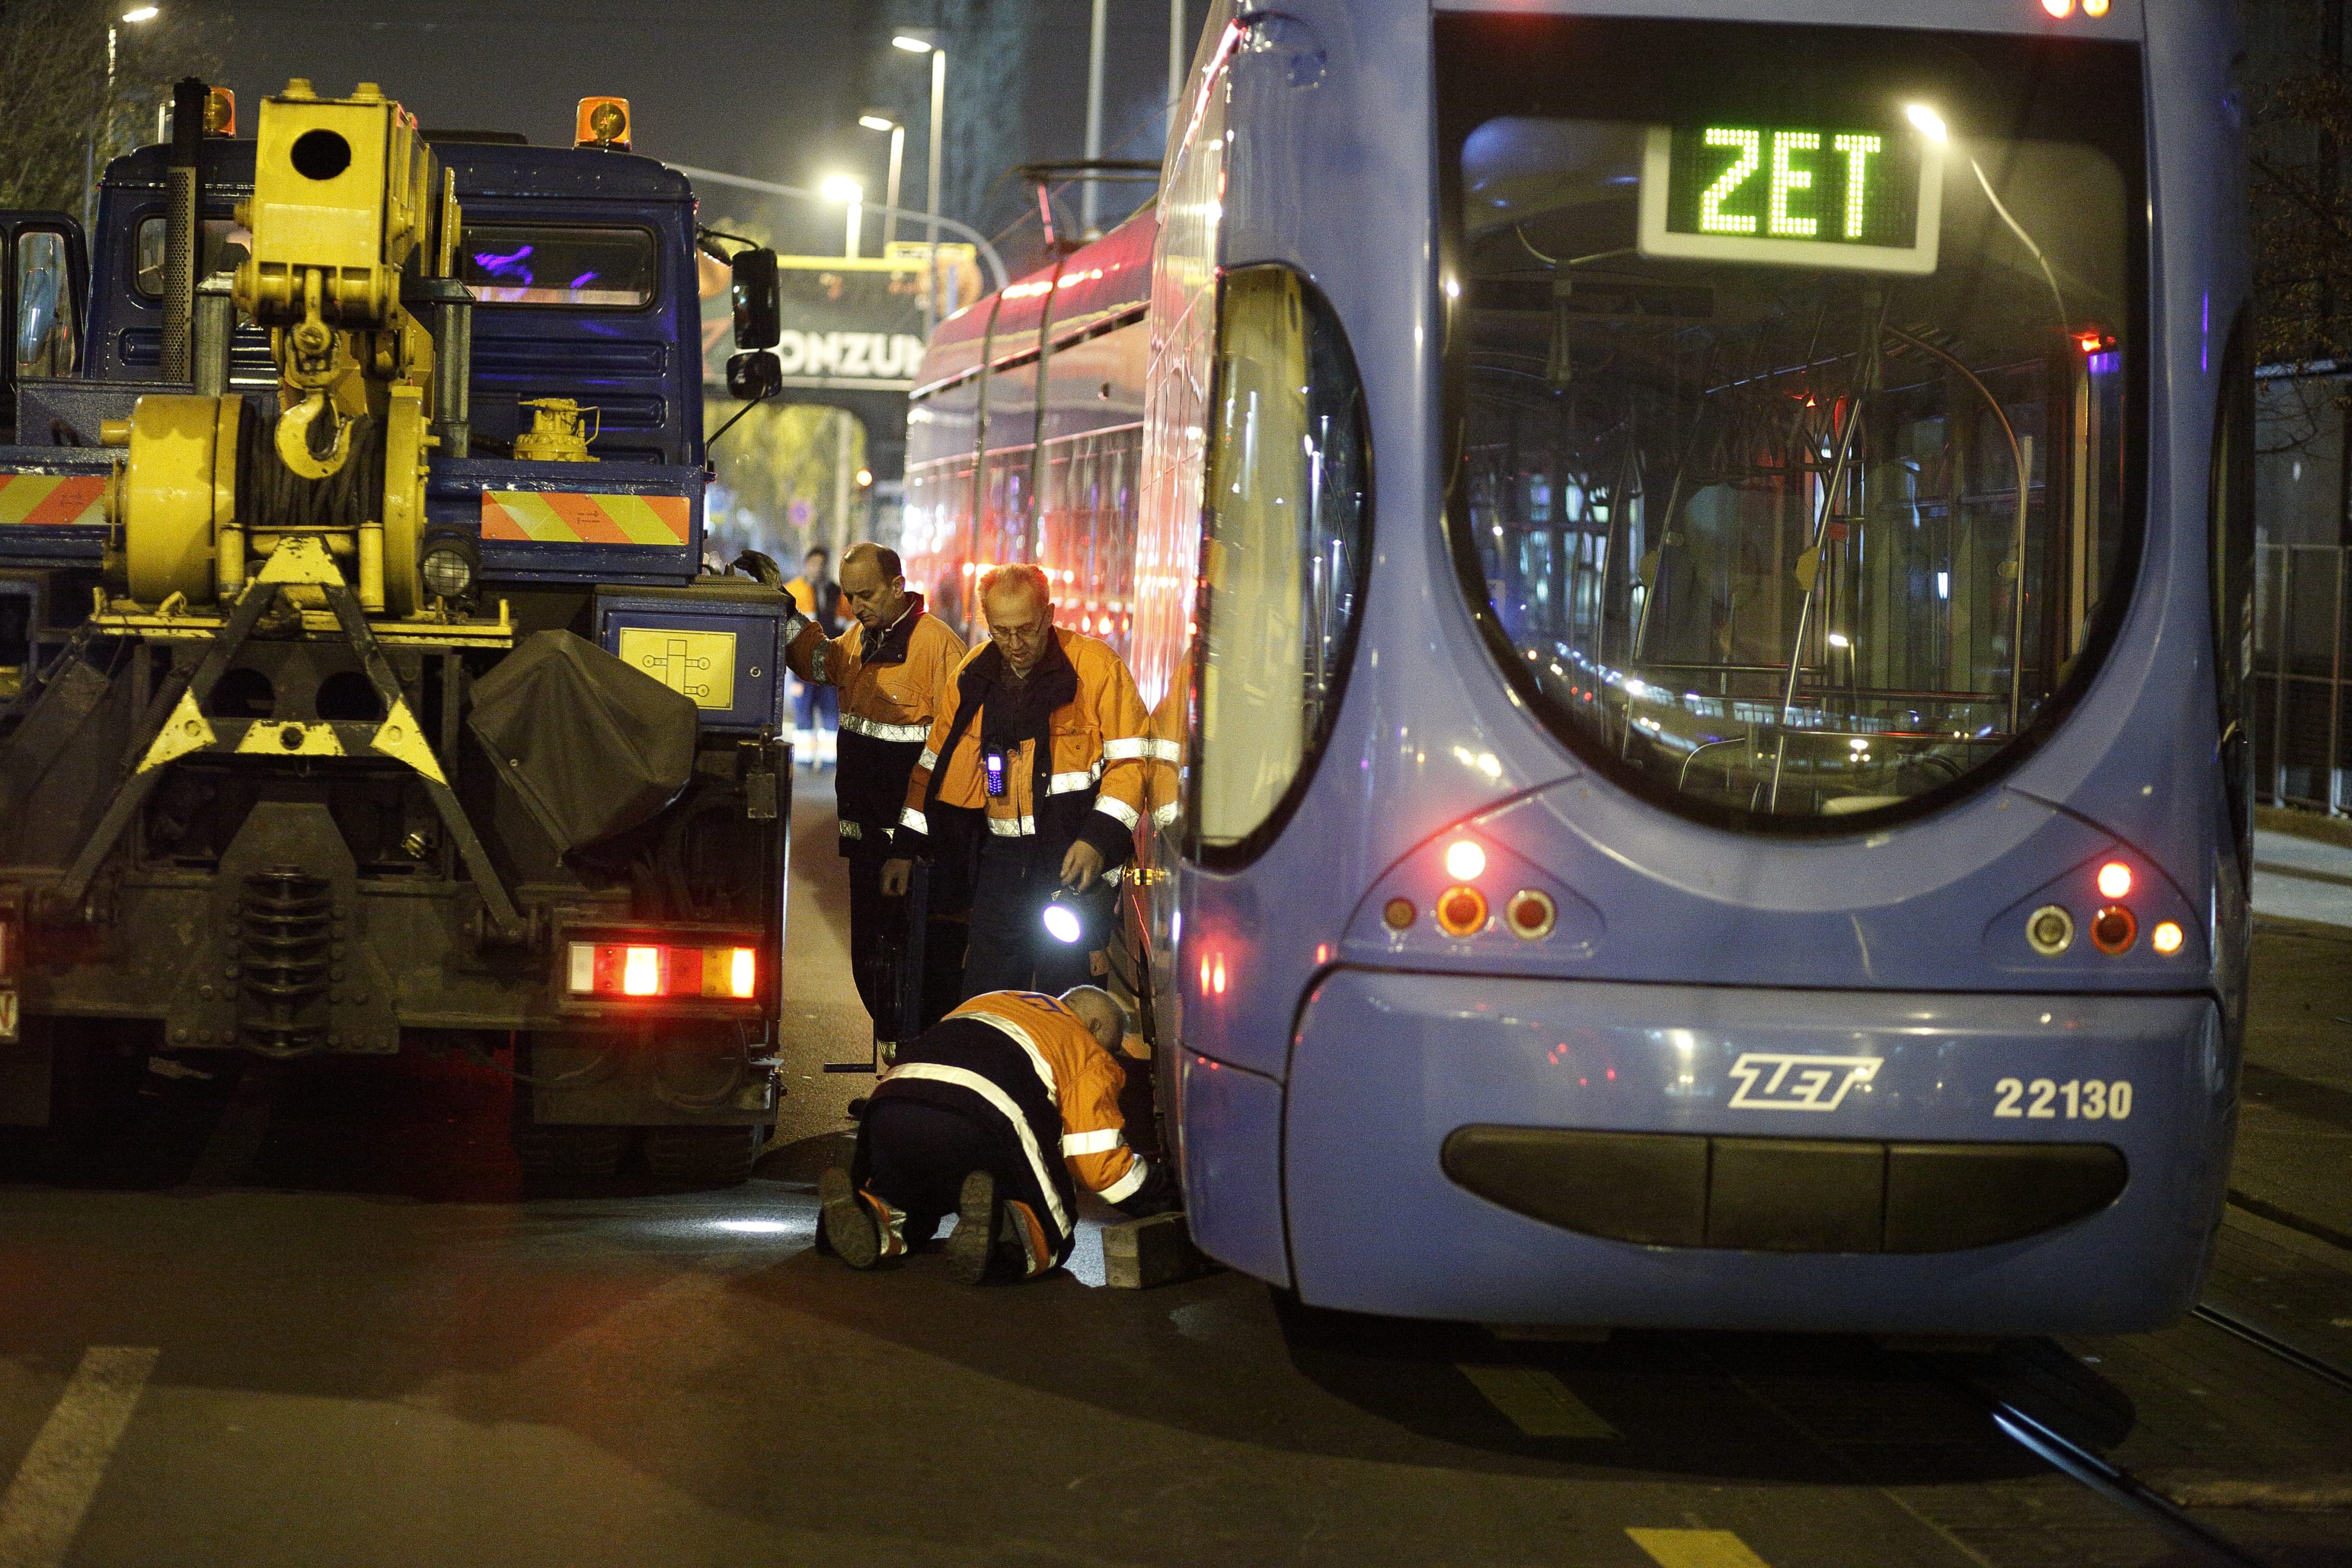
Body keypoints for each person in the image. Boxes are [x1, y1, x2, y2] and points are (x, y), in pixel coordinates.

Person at [883, 563, 1152, 998]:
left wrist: (1096, 840)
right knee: (987, 999)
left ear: (1048, 615)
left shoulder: (1096, 668)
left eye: (1026, 629)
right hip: (1001, 867)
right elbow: (931, 769)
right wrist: (903, 849)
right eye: (1000, 631)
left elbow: (1133, 762)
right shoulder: (973, 678)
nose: (1014, 644)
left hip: (1073, 867)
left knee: (1068, 1003)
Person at [818, 986, 1178, 1283]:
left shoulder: (992, 1001)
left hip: (892, 1105)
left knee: (910, 1191)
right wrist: (1167, 1195)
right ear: (1095, 1026)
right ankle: (1003, 1237)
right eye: (1113, 1045)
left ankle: (873, 1217)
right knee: (1051, 1231)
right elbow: (1098, 1166)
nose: (1113, 1056)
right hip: (984, 1115)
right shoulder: (1084, 1047)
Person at [783, 541, 968, 1037]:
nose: (856, 606)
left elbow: (944, 761)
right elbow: (818, 662)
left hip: (914, 853)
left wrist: (907, 851)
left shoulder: (937, 648)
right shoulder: (862, 640)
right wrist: (781, 613)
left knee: (916, 974)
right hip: (869, 842)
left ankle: (914, 1077)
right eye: (849, 596)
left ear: (897, 587)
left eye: (866, 594)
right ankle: (898, 1075)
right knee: (873, 967)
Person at [782, 547, 843, 768]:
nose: (818, 568)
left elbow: (848, 628)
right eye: (814, 564)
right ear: (806, 565)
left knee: (830, 714)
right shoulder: (794, 592)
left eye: (822, 564)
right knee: (803, 713)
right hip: (802, 666)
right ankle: (804, 761)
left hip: (831, 665)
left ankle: (828, 762)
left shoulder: (840, 594)